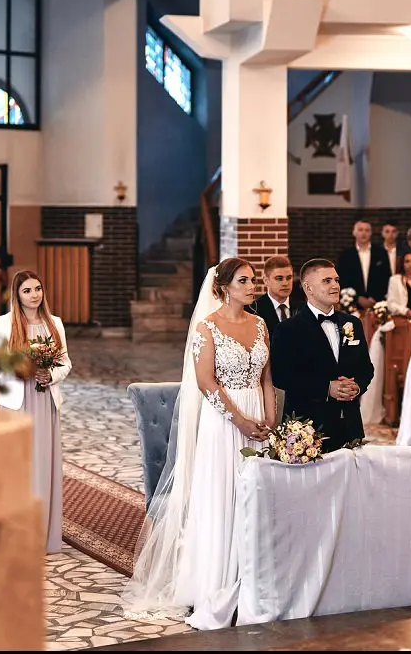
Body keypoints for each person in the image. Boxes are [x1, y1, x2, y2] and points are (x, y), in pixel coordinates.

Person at [123, 258, 274, 631]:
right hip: (224, 422)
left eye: (253, 280)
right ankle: (215, 581)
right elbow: (207, 383)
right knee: (223, 497)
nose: (252, 286)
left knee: (254, 497)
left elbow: (267, 378)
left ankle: (253, 581)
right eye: (244, 280)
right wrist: (240, 420)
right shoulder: (207, 329)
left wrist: (269, 421)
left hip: (257, 414)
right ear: (223, 287)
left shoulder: (261, 325)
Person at [0, 270, 71, 553]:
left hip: (45, 403)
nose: (35, 295)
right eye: (27, 291)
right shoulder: (4, 324)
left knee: (43, 466)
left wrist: (51, 375)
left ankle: (43, 534)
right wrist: (20, 369)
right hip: (16, 404)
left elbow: (65, 363)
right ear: (17, 295)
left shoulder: (55, 324)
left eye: (38, 289)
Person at [271, 258, 375, 453]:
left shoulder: (352, 323)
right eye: (327, 281)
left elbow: (366, 368)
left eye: (336, 280)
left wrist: (357, 386)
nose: (335, 285)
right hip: (307, 428)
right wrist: (327, 388)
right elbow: (281, 376)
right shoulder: (288, 329)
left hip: (349, 425)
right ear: (308, 288)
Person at [247, 255, 304, 341]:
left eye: (289, 278)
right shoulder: (254, 310)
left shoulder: (303, 308)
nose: (285, 283)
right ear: (266, 280)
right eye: (279, 278)